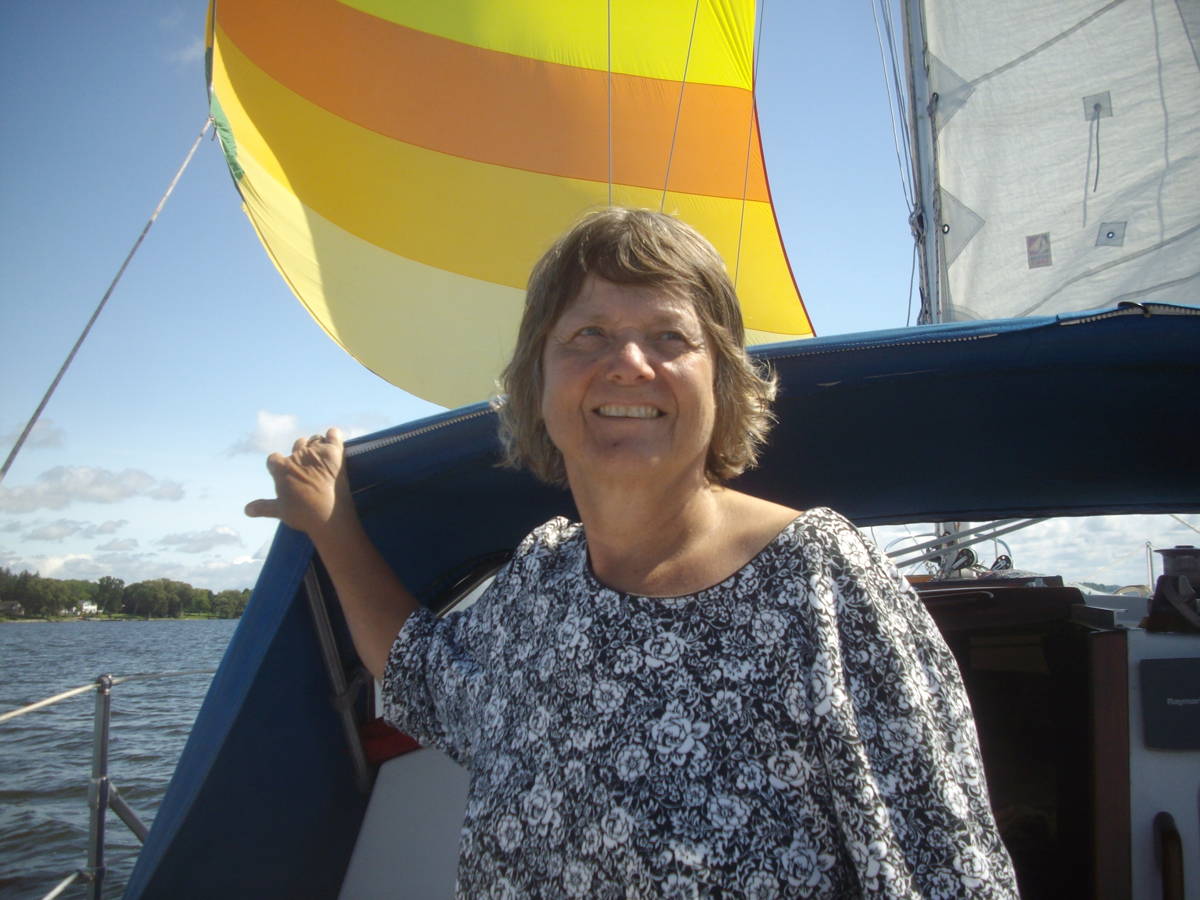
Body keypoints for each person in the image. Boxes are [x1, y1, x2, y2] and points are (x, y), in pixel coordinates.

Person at [247, 208, 1018, 897]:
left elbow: (945, 870)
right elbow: (420, 674)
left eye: (669, 337)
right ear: (538, 386)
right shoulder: (539, 583)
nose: (627, 363)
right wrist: (332, 524)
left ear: (721, 380)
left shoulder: (820, 578)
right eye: (587, 334)